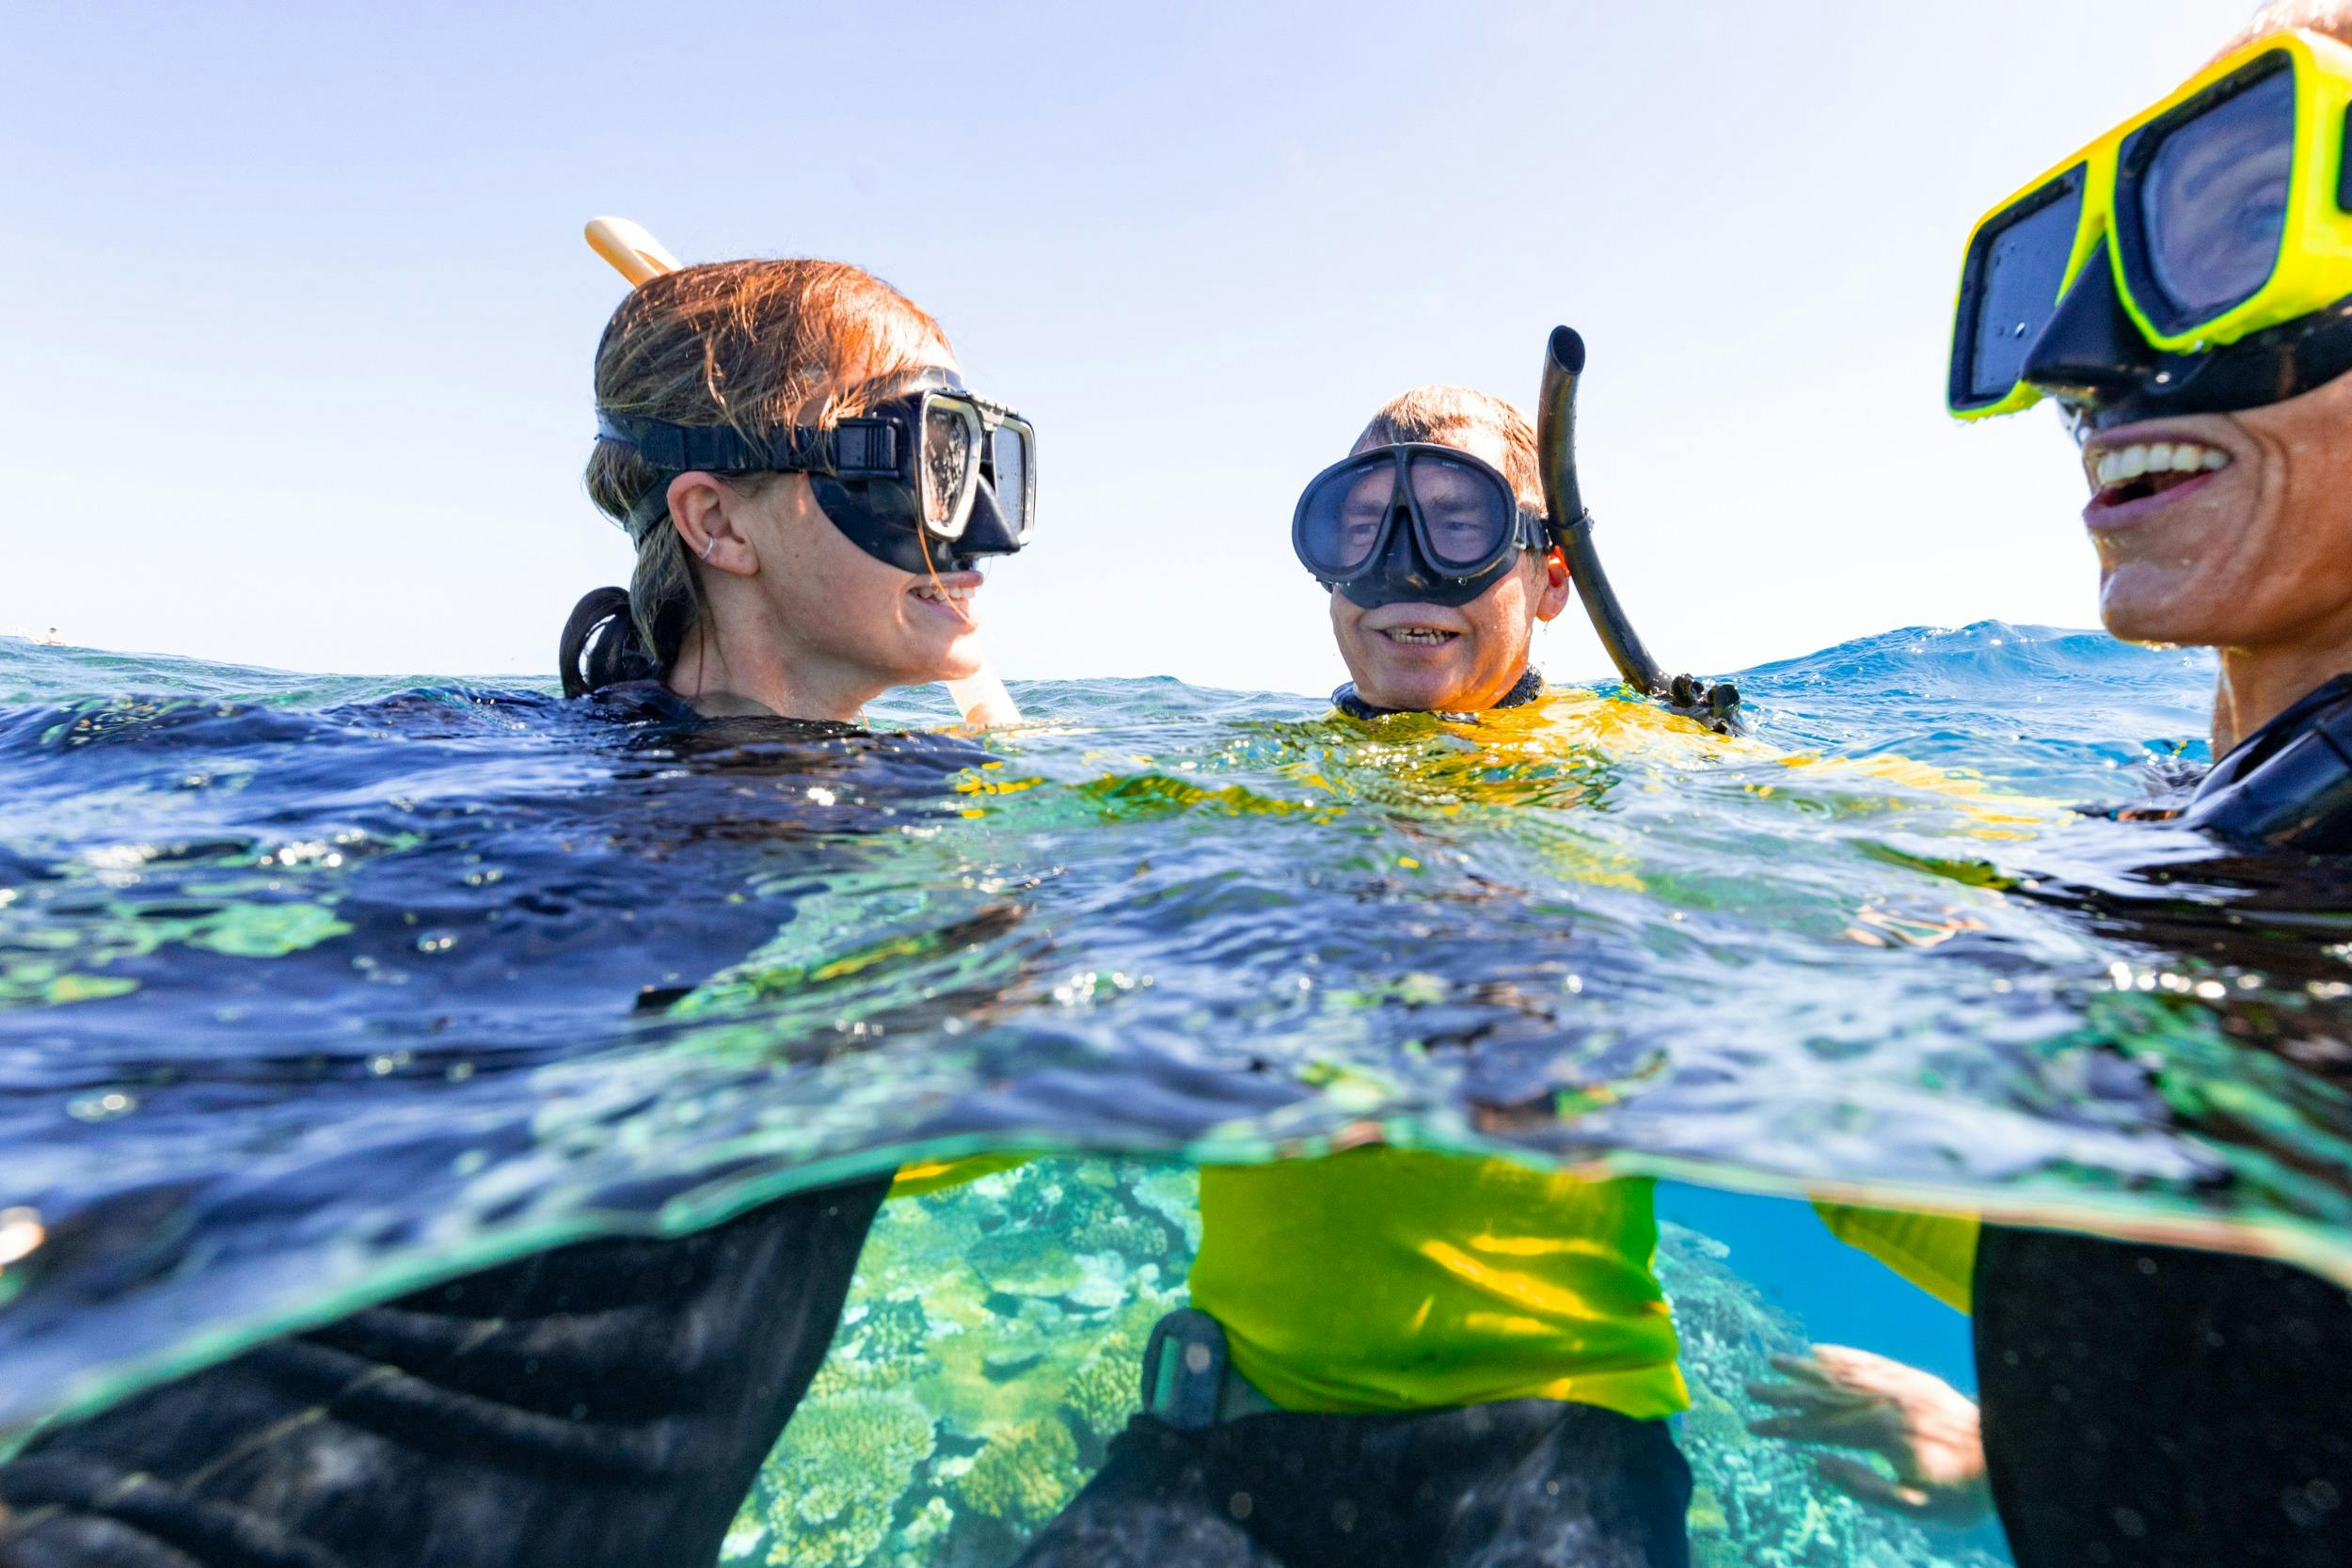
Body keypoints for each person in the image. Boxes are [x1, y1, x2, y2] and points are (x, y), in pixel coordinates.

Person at [0, 256, 1039, 1568]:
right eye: (919, 463)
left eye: (982, 464)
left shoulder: (911, 803)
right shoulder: (527, 792)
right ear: (717, 523)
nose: (976, 529)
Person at [1753, 7, 2352, 1563]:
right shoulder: (2194, 818)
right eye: (2080, 272)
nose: (2077, 364)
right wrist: (2019, 1435)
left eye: (2241, 230)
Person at [1014, 382, 1697, 1568]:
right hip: (1235, 1423)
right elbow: (1012, 975)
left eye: (1457, 522)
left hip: (1561, 1428)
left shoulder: (1653, 777)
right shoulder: (1239, 785)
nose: (1404, 567)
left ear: (1551, 575)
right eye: (1363, 526)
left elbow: (1923, 929)